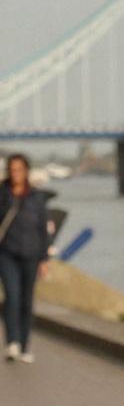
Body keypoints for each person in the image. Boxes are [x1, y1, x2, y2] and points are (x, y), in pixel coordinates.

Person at [0, 153, 51, 363]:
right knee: (12, 296)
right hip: (6, 253)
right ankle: (12, 342)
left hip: (31, 254)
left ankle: (24, 345)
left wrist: (44, 259)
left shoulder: (36, 197)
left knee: (26, 300)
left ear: (26, 171)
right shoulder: (2, 194)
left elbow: (43, 229)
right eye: (12, 170)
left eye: (19, 170)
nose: (15, 174)